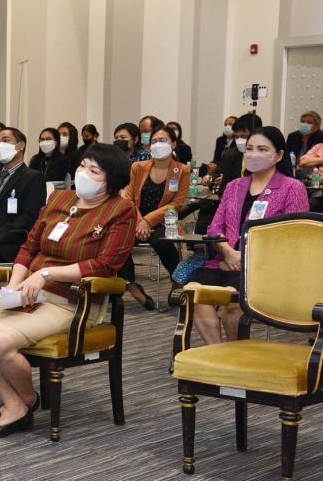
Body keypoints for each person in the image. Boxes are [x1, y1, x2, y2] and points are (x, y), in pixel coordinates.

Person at [0, 143, 136, 438]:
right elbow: (29, 247)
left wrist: (46, 274)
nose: (83, 173)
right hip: (29, 293)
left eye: (94, 170)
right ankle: (18, 402)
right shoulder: (60, 199)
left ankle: (23, 402)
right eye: (82, 166)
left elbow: (105, 265)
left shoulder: (121, 210)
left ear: (112, 180)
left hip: (73, 301)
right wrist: (14, 284)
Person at [189, 127, 309, 346]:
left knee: (232, 302)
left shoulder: (292, 188)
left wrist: (243, 259)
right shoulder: (234, 186)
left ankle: (234, 353)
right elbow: (215, 228)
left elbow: (293, 238)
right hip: (224, 261)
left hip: (264, 268)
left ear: (279, 155)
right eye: (250, 149)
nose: (254, 154)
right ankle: (219, 355)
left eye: (262, 149)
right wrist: (227, 252)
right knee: (195, 294)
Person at [118, 126, 191, 310]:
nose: (158, 144)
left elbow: (177, 203)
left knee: (161, 241)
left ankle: (177, 280)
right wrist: (140, 221)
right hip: (135, 219)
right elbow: (128, 198)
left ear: (173, 144)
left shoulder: (182, 170)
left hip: (165, 221)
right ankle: (131, 285)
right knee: (118, 241)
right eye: (154, 141)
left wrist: (147, 221)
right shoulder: (138, 167)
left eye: (163, 140)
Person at [0, 127, 46, 264]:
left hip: (6, 245)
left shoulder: (33, 178)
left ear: (20, 146)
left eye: (5, 141)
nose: (0, 146)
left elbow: (28, 218)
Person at [285, 111, 323, 176]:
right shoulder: (293, 136)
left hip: (315, 175)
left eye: (309, 122)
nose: (305, 124)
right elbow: (286, 156)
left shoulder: (321, 137)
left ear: (317, 125)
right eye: (302, 122)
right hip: (293, 173)